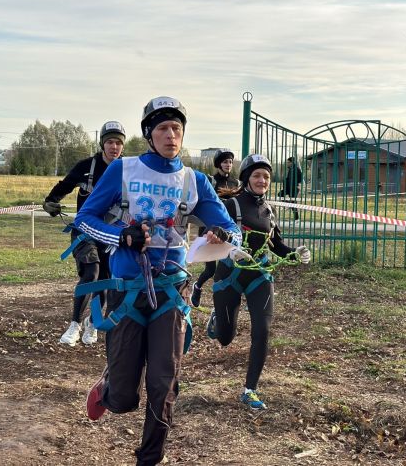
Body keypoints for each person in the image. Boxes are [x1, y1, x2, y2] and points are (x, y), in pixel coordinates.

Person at [73, 96, 242, 466]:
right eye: (163, 129)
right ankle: (108, 390)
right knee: (124, 398)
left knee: (164, 383)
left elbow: (232, 229)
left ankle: (149, 458)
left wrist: (223, 235)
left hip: (171, 291)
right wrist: (121, 236)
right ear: (149, 134)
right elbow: (83, 219)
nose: (172, 136)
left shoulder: (193, 180)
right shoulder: (123, 170)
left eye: (177, 129)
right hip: (127, 291)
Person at [207, 153, 311, 411]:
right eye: (257, 175)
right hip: (229, 275)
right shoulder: (231, 205)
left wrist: (296, 253)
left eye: (266, 176)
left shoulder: (269, 211)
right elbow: (211, 235)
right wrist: (229, 247)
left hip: (260, 275)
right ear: (245, 179)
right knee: (225, 339)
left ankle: (249, 389)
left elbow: (276, 245)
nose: (262, 180)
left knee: (262, 331)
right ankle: (218, 321)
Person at [43, 121, 126, 346]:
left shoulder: (128, 171)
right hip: (84, 231)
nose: (114, 147)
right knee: (91, 272)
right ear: (102, 144)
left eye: (119, 143)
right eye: (110, 141)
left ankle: (93, 323)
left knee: (107, 278)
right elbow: (65, 185)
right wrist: (51, 202)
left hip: (111, 233)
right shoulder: (87, 167)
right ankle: (75, 324)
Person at [190, 148, 238, 308]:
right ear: (218, 164)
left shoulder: (236, 183)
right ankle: (197, 287)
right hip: (208, 230)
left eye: (230, 162)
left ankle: (222, 305)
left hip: (227, 232)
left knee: (226, 268)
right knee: (210, 270)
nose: (228, 164)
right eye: (225, 162)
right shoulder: (210, 181)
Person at [278, 156, 303, 220]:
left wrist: (298, 185)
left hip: (294, 188)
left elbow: (300, 178)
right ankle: (288, 203)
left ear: (292, 162)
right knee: (280, 194)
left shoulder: (297, 169)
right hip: (288, 188)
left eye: (289, 162)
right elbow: (288, 179)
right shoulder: (290, 169)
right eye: (287, 162)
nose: (287, 163)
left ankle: (296, 218)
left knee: (293, 202)